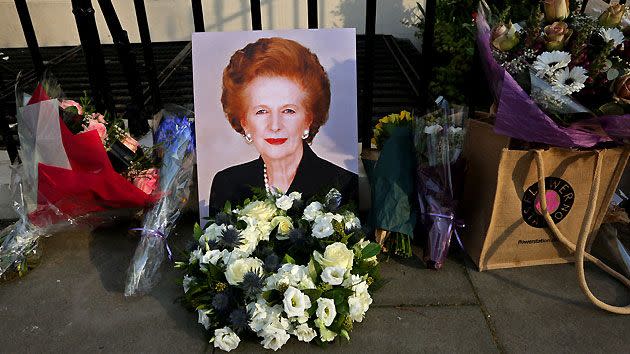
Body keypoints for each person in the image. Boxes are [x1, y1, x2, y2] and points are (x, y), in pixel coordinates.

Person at [209, 37, 357, 213]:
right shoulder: (227, 183)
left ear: (309, 119)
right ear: (245, 123)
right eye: (261, 111)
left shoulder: (343, 184)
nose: (275, 125)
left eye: (288, 111)